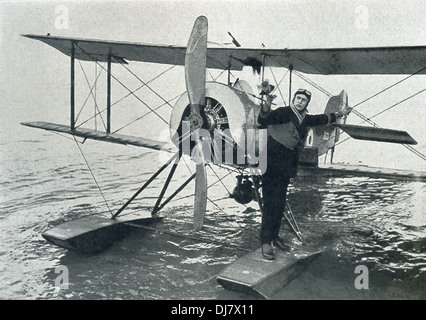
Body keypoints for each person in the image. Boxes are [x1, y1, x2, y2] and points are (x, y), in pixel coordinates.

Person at [257, 87, 352, 260]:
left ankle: (275, 236)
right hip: (271, 162)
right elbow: (264, 119)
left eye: (303, 100)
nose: (299, 101)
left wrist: (340, 114)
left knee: (280, 202)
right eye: (298, 98)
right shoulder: (283, 112)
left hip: (286, 166)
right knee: (270, 202)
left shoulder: (304, 118)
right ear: (293, 99)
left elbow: (321, 118)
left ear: (307, 103)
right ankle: (265, 242)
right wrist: (267, 105)